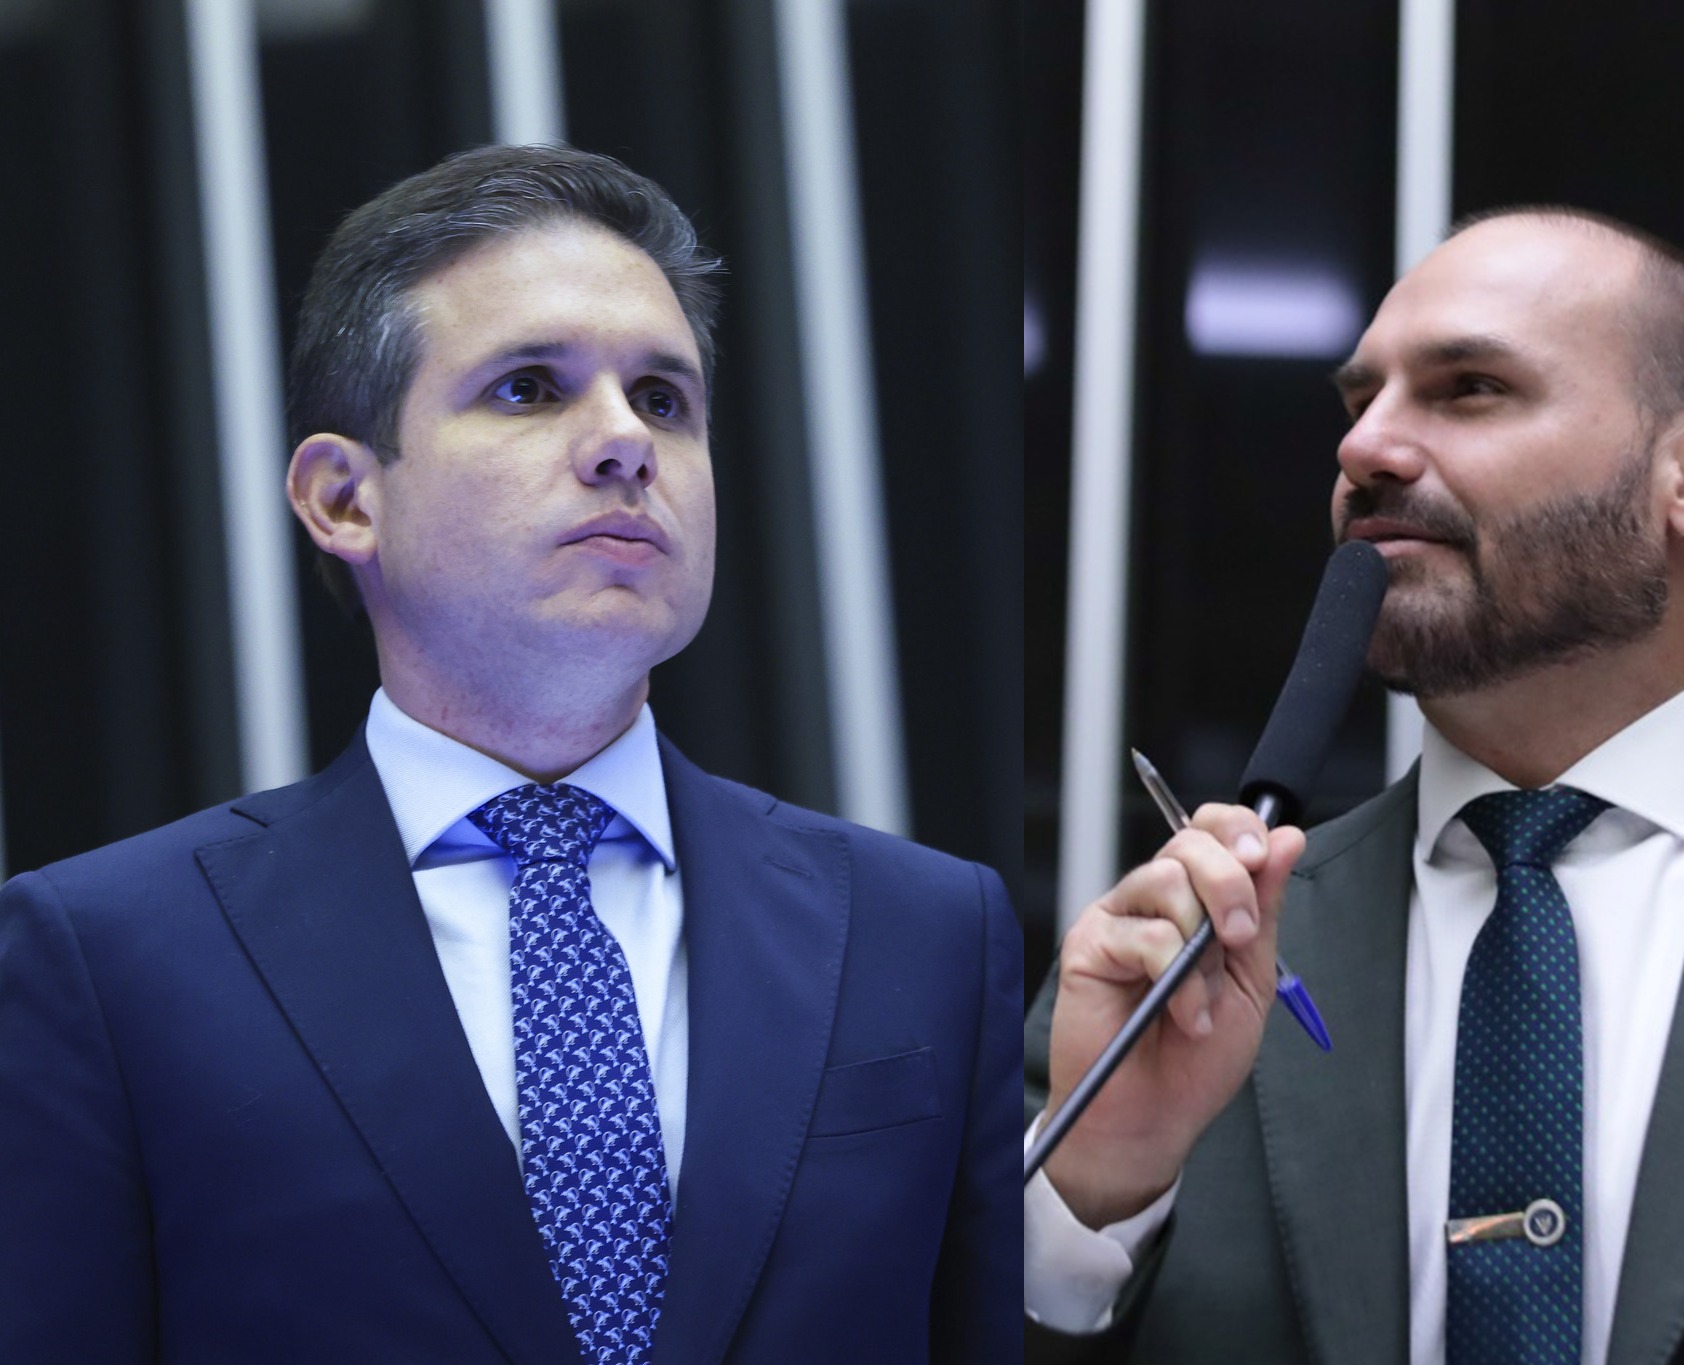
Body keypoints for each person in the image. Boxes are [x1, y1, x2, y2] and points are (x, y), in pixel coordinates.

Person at [0, 144, 1020, 1364]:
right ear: (344, 500)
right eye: (530, 389)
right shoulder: (105, 959)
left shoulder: (928, 930)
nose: (624, 442)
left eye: (664, 399)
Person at [1023, 207, 1684, 1362]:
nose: (1365, 450)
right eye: (1358, 404)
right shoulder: (1170, 973)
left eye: (1468, 389)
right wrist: (1090, 1191)